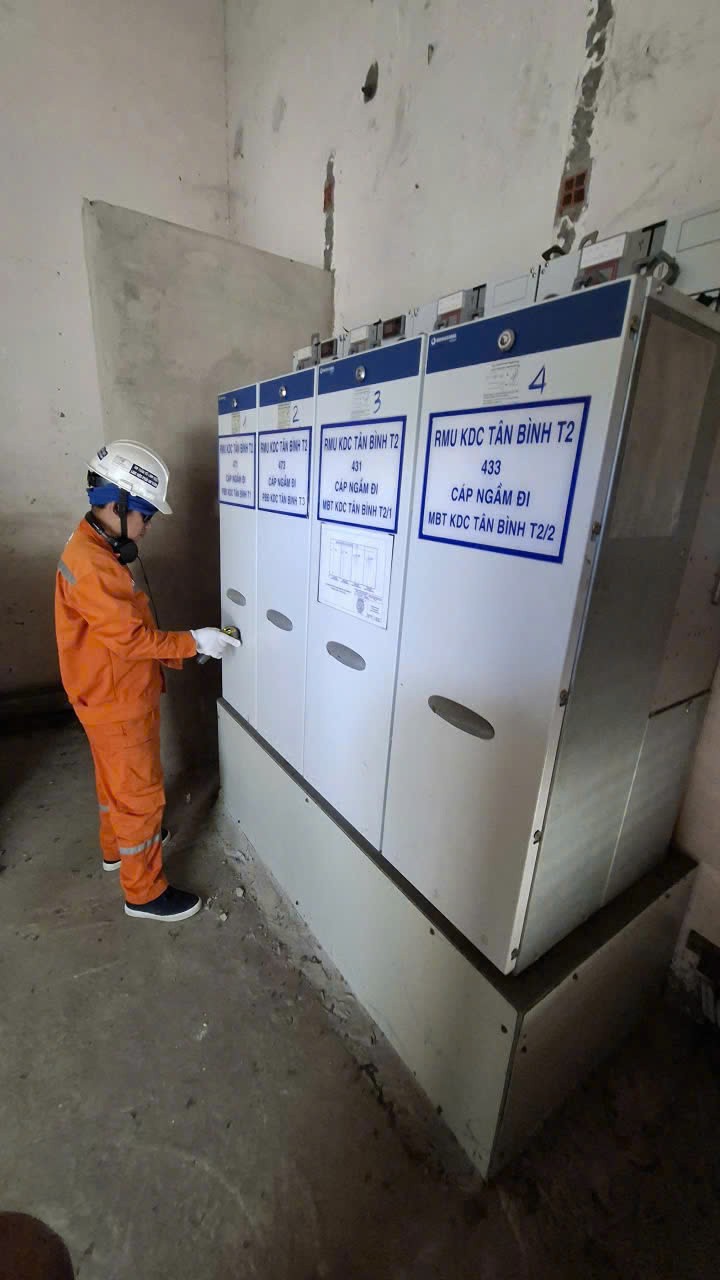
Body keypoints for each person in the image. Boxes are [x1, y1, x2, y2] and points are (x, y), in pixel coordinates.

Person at [54, 439, 239, 923]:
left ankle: (117, 850)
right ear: (117, 506)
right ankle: (144, 892)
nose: (149, 526)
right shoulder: (95, 565)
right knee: (139, 796)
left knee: (113, 783)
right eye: (146, 515)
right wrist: (194, 642)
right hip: (118, 702)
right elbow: (132, 639)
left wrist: (186, 646)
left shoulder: (90, 546)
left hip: (99, 694)